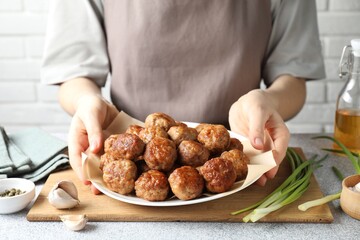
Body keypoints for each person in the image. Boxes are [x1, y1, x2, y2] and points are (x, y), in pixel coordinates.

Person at [41, 0, 325, 194]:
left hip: (243, 149)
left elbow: (293, 78)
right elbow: (74, 73)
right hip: (130, 142)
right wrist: (87, 102)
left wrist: (270, 101)